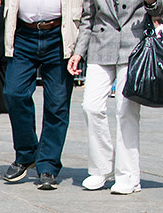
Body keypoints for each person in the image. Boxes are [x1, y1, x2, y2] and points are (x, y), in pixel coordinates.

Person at [67, 0, 163, 194]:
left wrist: (151, 2)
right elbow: (88, 18)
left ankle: (128, 175)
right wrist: (79, 52)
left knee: (125, 110)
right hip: (100, 45)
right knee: (91, 106)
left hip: (134, 45)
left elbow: (159, 8)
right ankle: (101, 168)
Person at [1, 0, 80, 190]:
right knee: (14, 92)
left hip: (58, 33)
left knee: (57, 103)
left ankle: (48, 164)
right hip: (23, 34)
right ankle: (26, 154)